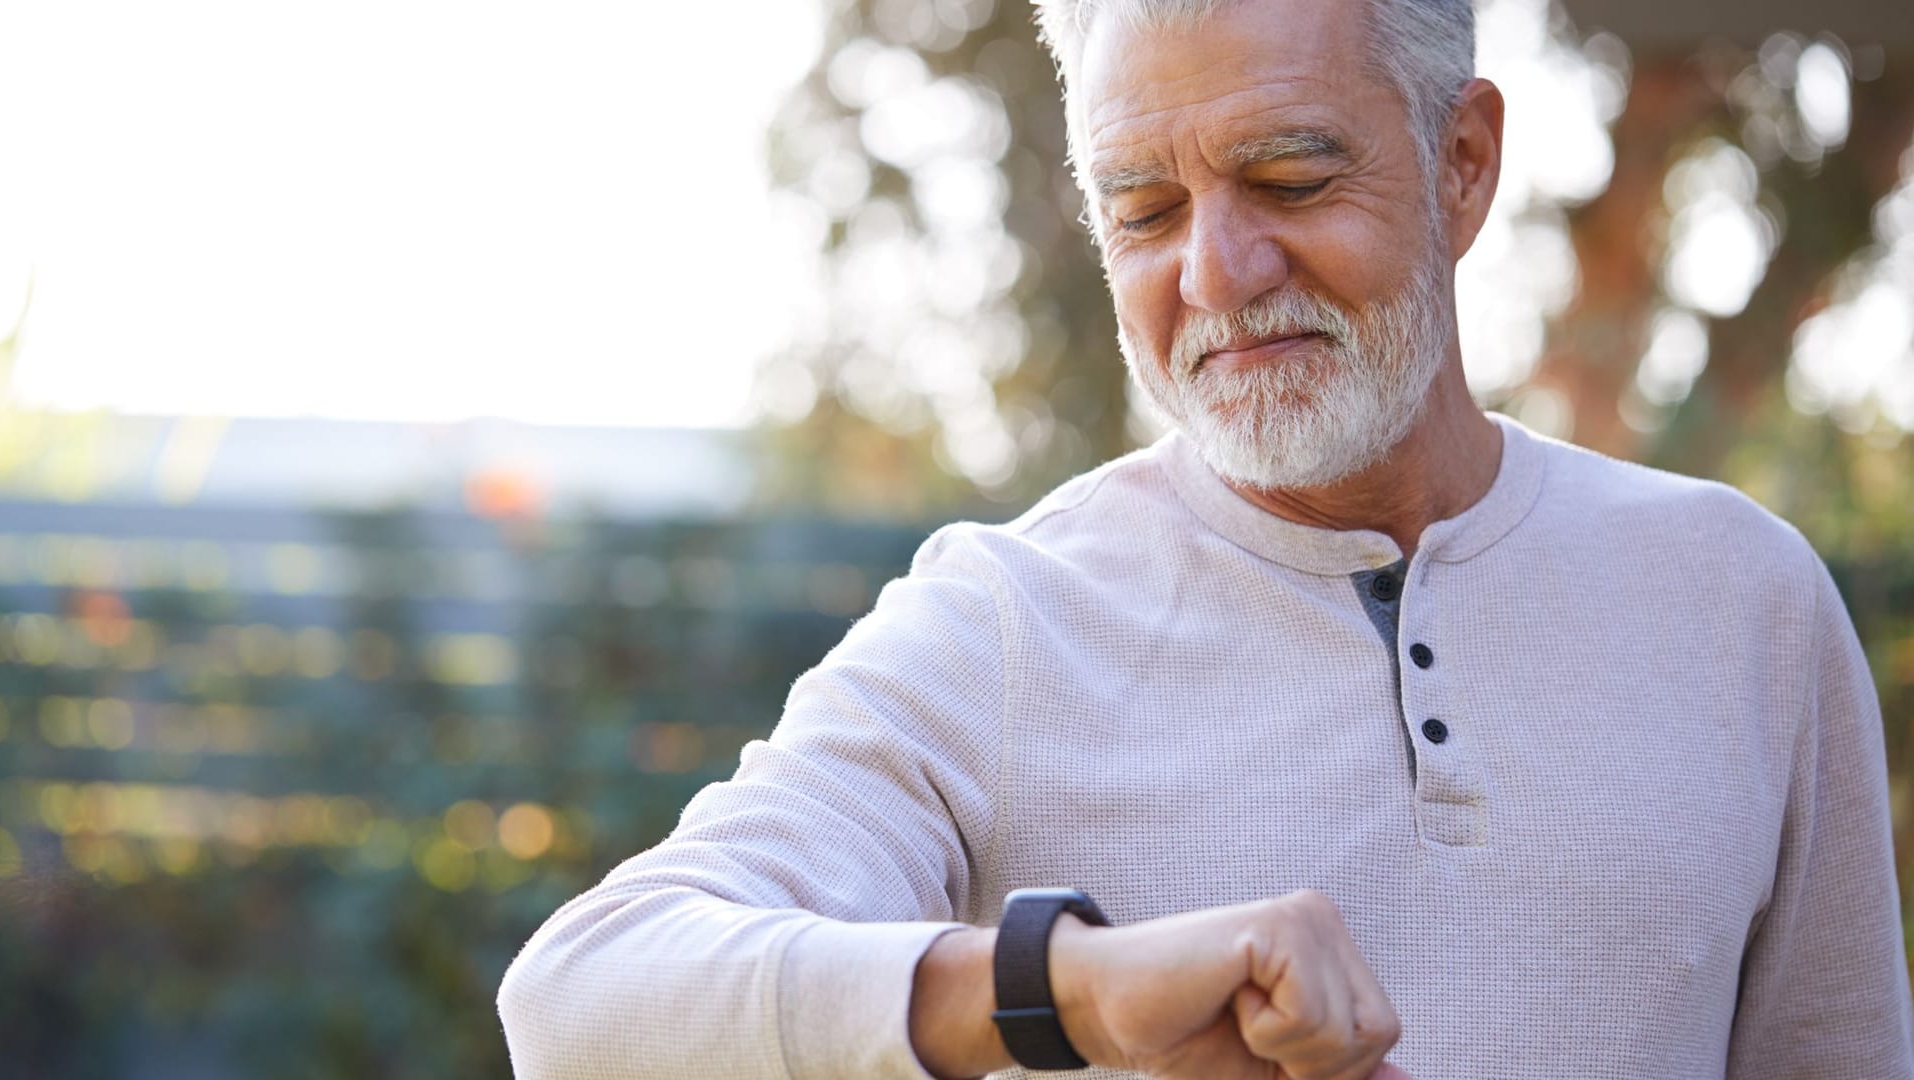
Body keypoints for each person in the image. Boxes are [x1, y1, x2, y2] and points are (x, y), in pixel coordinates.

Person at [496, 0, 1914, 1076]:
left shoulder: (1745, 604)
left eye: (1291, 178)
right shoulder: (1002, 623)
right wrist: (1072, 988)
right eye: (1148, 210)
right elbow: (582, 999)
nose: (1216, 277)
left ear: (1464, 162)